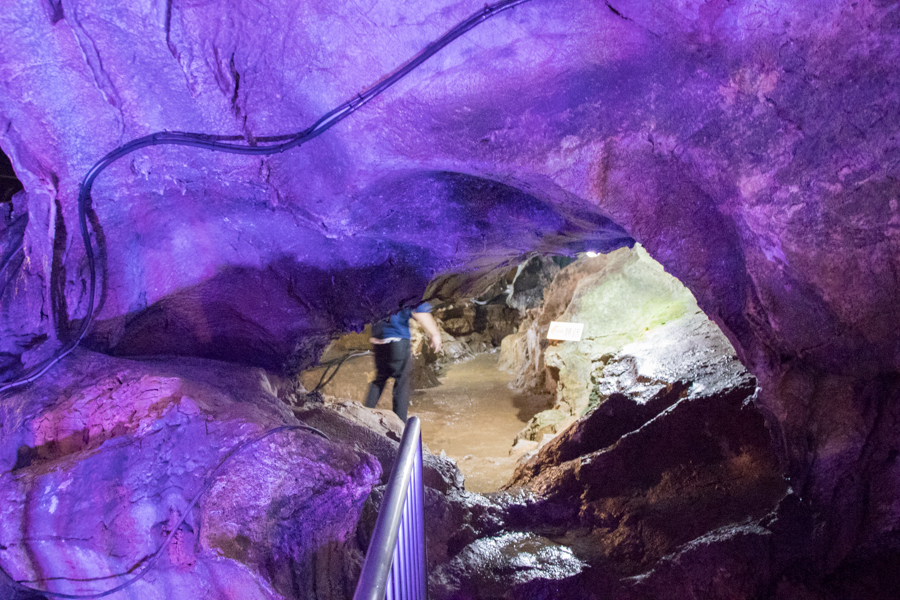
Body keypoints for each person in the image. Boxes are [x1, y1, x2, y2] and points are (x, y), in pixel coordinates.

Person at [364, 302, 442, 422]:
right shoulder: (408, 286)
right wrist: (435, 333)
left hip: (378, 339)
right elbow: (420, 311)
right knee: (402, 383)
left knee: (380, 379)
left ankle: (363, 417)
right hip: (398, 339)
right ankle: (400, 427)